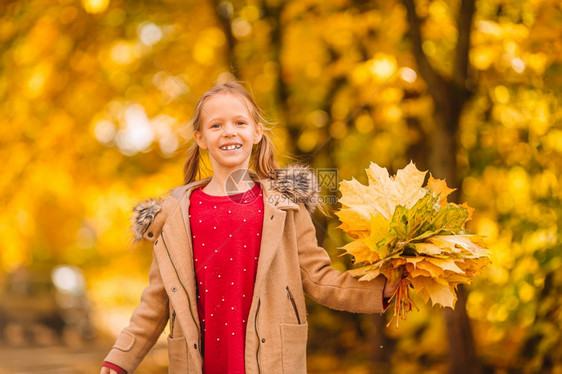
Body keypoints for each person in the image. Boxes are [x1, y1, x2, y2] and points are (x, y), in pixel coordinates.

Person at [100, 81, 399, 374]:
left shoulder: (285, 206)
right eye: (216, 125)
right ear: (200, 138)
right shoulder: (175, 214)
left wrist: (379, 289)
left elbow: (319, 279)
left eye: (240, 122)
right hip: (199, 363)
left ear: (256, 132)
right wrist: (120, 359)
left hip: (272, 361)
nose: (229, 131)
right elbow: (155, 301)